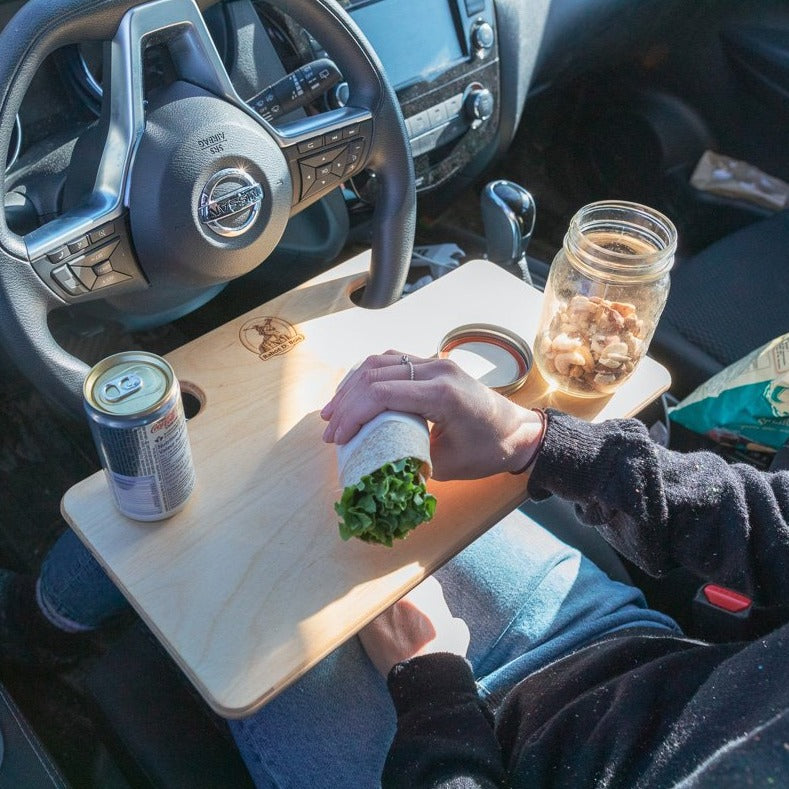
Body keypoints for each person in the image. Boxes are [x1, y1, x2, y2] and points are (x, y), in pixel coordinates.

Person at [5, 349, 789, 787]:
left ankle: (35, 635)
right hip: (605, 644)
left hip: (455, 764)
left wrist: (430, 687)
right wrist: (538, 441)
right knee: (250, 467)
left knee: (193, 547)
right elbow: (769, 528)